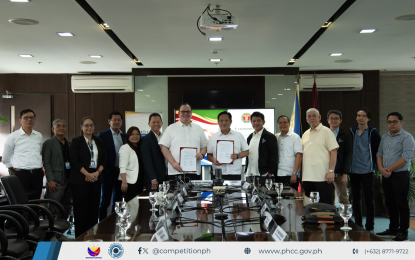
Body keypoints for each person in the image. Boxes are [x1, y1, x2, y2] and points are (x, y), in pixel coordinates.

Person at [376, 112, 415, 241]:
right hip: (386, 175)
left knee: (402, 204)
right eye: (389, 122)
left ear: (401, 122)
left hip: (400, 175)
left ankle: (403, 232)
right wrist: (381, 169)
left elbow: (406, 158)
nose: (391, 124)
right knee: (390, 203)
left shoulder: (407, 137)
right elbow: (379, 153)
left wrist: (389, 169)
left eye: (394, 121)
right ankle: (393, 229)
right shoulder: (385, 137)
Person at [69, 116, 107, 238]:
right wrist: (88, 174)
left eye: (91, 125)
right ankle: (80, 237)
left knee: (94, 209)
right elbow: (74, 160)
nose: (89, 127)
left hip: (96, 178)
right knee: (81, 210)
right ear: (81, 127)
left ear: (94, 127)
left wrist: (97, 173)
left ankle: (92, 236)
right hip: (80, 179)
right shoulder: (76, 141)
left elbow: (104, 159)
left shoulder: (99, 141)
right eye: (86, 125)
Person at [349, 108, 381, 232]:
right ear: (356, 118)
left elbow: (379, 151)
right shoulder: (352, 132)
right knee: (356, 200)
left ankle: (370, 226)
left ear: (368, 118)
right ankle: (358, 224)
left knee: (369, 200)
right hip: (354, 171)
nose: (360, 117)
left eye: (363, 115)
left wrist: (378, 167)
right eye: (358, 115)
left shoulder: (373, 132)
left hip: (367, 170)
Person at [159, 103, 207, 181]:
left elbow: (204, 146)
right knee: (175, 193)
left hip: (194, 172)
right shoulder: (171, 128)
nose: (185, 113)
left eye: (188, 111)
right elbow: (164, 147)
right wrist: (173, 163)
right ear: (179, 113)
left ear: (191, 113)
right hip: (175, 171)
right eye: (183, 111)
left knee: (194, 193)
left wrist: (201, 154)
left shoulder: (198, 129)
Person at [2, 109, 43, 199]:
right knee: (22, 201)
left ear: (35, 120)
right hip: (21, 175)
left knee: (36, 199)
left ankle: (35, 213)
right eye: (26, 117)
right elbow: (6, 158)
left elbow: (39, 153)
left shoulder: (38, 135)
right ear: (20, 120)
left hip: (37, 174)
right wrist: (15, 171)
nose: (29, 120)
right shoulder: (13, 136)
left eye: (31, 117)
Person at [301, 108, 338, 205]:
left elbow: (334, 152)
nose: (312, 118)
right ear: (306, 119)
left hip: (322, 177)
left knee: (325, 206)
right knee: (310, 207)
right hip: (307, 177)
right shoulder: (305, 134)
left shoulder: (327, 131)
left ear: (319, 117)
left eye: (314, 116)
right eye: (309, 116)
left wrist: (331, 171)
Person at [97, 112, 125, 221]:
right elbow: (100, 154)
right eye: (114, 119)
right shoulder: (103, 135)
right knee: (105, 200)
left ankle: (114, 222)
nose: (117, 122)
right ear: (109, 121)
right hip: (108, 171)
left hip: (120, 172)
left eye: (119, 120)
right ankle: (102, 223)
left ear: (122, 122)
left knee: (117, 200)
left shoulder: (124, 135)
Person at [42, 119, 72, 219]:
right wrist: (50, 180)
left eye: (63, 126)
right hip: (56, 181)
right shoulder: (49, 143)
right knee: (53, 208)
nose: (61, 128)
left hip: (68, 180)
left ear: (66, 129)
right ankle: (50, 232)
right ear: (53, 128)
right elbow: (46, 162)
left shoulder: (69, 143)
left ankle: (61, 232)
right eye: (58, 126)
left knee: (65, 207)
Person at [207, 111, 249, 180]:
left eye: (226, 120)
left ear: (231, 121)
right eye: (221, 121)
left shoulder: (238, 135)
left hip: (235, 172)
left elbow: (247, 152)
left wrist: (237, 156)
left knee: (235, 191)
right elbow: (209, 155)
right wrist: (213, 160)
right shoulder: (213, 137)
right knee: (218, 190)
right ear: (218, 122)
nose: (224, 123)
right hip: (218, 173)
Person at [245, 111, 278, 186]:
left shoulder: (269, 137)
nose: (256, 123)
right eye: (254, 121)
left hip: (264, 175)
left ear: (263, 122)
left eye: (258, 120)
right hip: (250, 174)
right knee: (250, 197)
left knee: (265, 196)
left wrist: (270, 172)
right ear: (251, 123)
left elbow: (274, 155)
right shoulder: (250, 137)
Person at [327, 110, 353, 205]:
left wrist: (345, 174)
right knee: (328, 201)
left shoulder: (346, 135)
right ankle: (331, 220)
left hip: (340, 173)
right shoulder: (324, 133)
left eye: (336, 118)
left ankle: (345, 219)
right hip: (326, 172)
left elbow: (348, 154)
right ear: (327, 120)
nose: (334, 120)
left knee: (343, 200)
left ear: (340, 120)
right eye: (331, 118)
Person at [275, 115, 302, 189]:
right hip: (277, 174)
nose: (282, 124)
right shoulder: (275, 137)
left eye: (285, 122)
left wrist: (294, 173)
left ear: (289, 124)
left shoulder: (295, 137)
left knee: (290, 199)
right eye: (280, 123)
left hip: (290, 175)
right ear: (278, 125)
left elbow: (299, 156)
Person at [141, 113, 166, 190]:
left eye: (158, 122)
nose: (156, 124)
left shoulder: (165, 137)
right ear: (149, 124)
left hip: (166, 177)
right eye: (153, 122)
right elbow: (147, 160)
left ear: (162, 123)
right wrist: (153, 178)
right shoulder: (146, 139)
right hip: (154, 179)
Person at [119, 127, 145, 202]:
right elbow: (122, 167)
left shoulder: (140, 148)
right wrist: (124, 182)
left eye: (137, 134)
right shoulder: (125, 148)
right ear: (128, 136)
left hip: (140, 181)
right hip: (130, 183)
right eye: (132, 134)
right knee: (132, 206)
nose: (135, 136)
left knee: (139, 206)